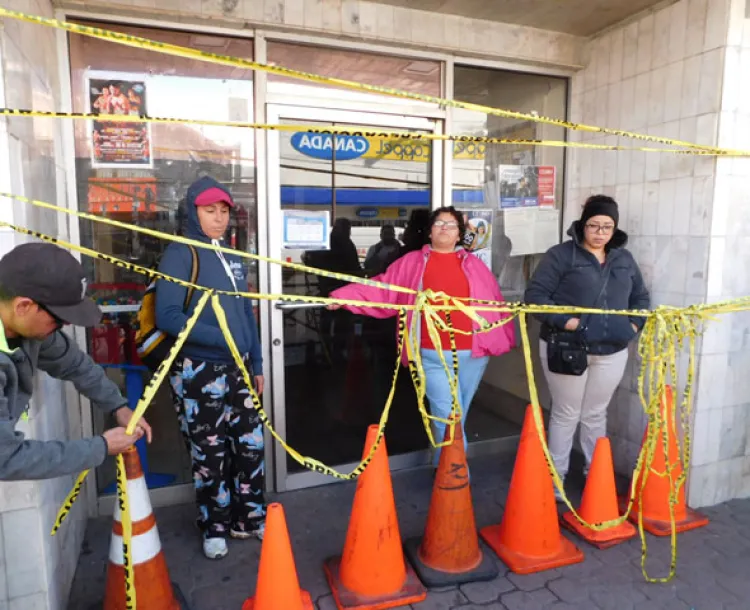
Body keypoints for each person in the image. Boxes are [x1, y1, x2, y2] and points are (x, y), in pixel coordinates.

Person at [329, 206, 515, 465]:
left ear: (459, 234)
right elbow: (384, 289)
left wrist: (502, 336)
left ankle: (442, 470)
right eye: (439, 223)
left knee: (455, 417)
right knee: (448, 418)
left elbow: (494, 303)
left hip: (473, 354)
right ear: (429, 231)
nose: (444, 228)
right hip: (431, 354)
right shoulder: (412, 262)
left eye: (451, 225)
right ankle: (456, 483)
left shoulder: (474, 265)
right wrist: (344, 297)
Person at [156, 176, 265, 560]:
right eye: (209, 211)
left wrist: (257, 359)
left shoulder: (230, 254)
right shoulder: (181, 253)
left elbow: (244, 312)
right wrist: (223, 341)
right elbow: (168, 316)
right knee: (210, 455)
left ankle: (249, 519)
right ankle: (214, 527)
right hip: (200, 371)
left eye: (223, 212)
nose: (218, 219)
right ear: (192, 211)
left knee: (251, 447)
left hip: (240, 370)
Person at [525, 194, 650, 498]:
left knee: (595, 413)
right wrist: (575, 323)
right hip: (568, 347)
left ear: (614, 229)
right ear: (582, 226)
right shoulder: (561, 255)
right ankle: (556, 478)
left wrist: (631, 327)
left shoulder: (624, 259)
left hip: (612, 351)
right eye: (594, 225)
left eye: (607, 226)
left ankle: (596, 475)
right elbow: (534, 300)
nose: (600, 232)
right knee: (567, 413)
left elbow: (641, 299)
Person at [0, 242, 151, 480]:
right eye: (59, 319)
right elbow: (5, 459)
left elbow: (75, 364)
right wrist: (101, 446)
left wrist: (118, 406)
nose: (66, 326)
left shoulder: (27, 330)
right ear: (23, 306)